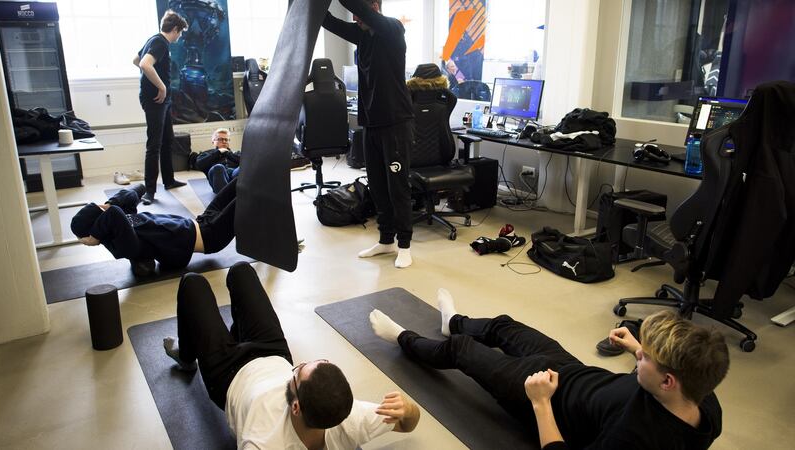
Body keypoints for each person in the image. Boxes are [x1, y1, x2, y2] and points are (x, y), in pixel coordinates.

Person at [369, 289, 729, 449]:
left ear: (667, 381)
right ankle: (454, 321)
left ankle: (402, 338)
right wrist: (640, 348)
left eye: (646, 359)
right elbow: (669, 371)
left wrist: (541, 402)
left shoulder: (634, 438)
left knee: (463, 352)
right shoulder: (703, 400)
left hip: (543, 391)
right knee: (504, 326)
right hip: (572, 370)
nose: (639, 358)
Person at [163, 262, 421, 448]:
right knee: (241, 272)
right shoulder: (350, 418)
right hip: (272, 352)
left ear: (295, 406)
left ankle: (186, 358)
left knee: (192, 283)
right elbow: (407, 424)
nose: (298, 366)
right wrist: (408, 408)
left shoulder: (264, 443)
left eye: (298, 372)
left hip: (229, 377)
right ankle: (236, 334)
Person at [322, 0, 415, 268]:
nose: (355, 16)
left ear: (374, 6)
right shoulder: (361, 36)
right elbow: (327, 21)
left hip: (396, 123)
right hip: (371, 124)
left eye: (360, 10)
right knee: (378, 185)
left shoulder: (392, 29)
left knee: (398, 186)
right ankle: (387, 240)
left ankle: (405, 245)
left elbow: (358, 8)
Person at [70, 180, 237, 276]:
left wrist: (106, 204)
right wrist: (95, 236)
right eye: (100, 211)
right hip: (210, 237)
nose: (104, 209)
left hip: (202, 221)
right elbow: (115, 213)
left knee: (239, 181)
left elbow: (136, 191)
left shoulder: (123, 221)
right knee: (246, 197)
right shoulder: (123, 244)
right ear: (99, 226)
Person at [133, 10, 189, 205]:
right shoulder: (160, 43)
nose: (180, 36)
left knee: (168, 140)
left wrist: (152, 83)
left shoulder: (154, 39)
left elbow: (136, 60)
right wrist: (161, 86)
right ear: (175, 29)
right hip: (155, 100)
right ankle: (149, 191)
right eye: (180, 32)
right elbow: (145, 64)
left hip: (161, 100)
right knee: (154, 144)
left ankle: (169, 180)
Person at [195, 128, 241, 193]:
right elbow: (199, 165)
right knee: (218, 167)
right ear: (213, 141)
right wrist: (218, 152)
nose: (224, 141)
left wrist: (228, 153)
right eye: (220, 139)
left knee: (244, 166)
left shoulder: (235, 153)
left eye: (226, 139)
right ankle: (224, 196)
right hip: (218, 177)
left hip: (234, 175)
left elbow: (245, 162)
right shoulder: (207, 153)